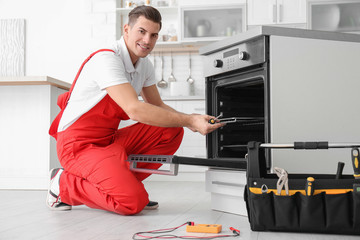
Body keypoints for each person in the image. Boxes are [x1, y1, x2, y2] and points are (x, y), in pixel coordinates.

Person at [46, 5, 223, 215]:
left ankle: (123, 185)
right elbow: (134, 109)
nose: (147, 40)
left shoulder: (144, 66)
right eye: (142, 31)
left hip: (108, 141)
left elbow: (157, 106)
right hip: (78, 146)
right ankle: (62, 184)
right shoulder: (107, 59)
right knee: (132, 203)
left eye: (154, 35)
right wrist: (189, 121)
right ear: (127, 30)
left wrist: (192, 118)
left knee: (171, 130)